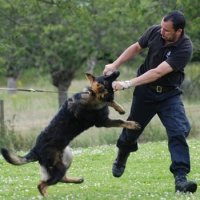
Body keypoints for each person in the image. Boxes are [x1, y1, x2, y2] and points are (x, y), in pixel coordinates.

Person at [103, 10, 197, 193]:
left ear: (179, 31)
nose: (162, 32)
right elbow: (136, 47)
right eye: (162, 27)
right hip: (145, 94)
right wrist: (115, 64)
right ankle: (123, 153)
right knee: (131, 132)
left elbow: (158, 72)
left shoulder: (184, 48)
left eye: (167, 30)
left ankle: (181, 179)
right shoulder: (155, 31)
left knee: (178, 131)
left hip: (169, 95)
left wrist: (127, 84)